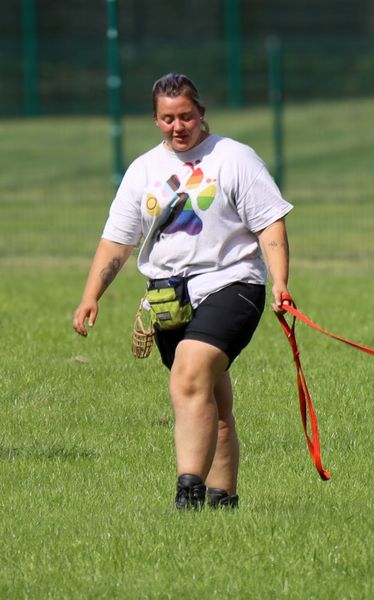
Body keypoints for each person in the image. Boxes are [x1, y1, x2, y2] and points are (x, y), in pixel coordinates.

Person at [72, 73, 293, 510]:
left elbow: (270, 222)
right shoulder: (143, 170)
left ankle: (187, 494)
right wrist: (91, 293)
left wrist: (281, 281)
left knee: (190, 373)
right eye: (168, 118)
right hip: (169, 298)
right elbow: (118, 240)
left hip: (232, 283)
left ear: (201, 114)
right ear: (155, 120)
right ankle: (222, 499)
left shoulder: (234, 159)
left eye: (186, 116)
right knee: (211, 399)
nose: (179, 126)